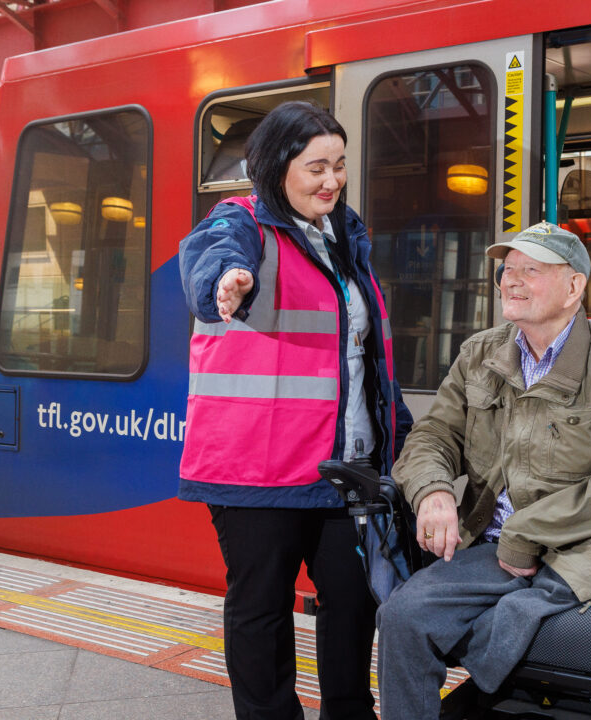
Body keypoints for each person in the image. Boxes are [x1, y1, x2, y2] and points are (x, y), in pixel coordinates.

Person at [376, 222, 591, 719]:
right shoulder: (480, 354)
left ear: (574, 286)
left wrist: (527, 531)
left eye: (529, 270)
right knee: (401, 616)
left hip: (588, 542)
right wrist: (433, 492)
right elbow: (432, 437)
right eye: (506, 270)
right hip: (496, 543)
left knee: (519, 610)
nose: (510, 280)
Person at [177, 101, 413, 720]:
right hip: (257, 469)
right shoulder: (241, 224)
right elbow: (211, 262)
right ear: (278, 167)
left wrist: (396, 439)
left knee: (354, 600)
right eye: (316, 168)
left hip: (343, 466)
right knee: (261, 608)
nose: (331, 181)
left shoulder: (343, 239)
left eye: (338, 166)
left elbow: (362, 360)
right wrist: (227, 281)